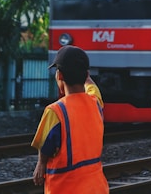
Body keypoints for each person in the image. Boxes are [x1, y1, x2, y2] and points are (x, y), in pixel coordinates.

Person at [31, 45, 109, 194]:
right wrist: (86, 76)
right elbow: (92, 87)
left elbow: (45, 145)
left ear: (59, 76)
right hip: (96, 188)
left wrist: (41, 164)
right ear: (86, 74)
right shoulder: (95, 103)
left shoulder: (55, 111)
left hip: (65, 188)